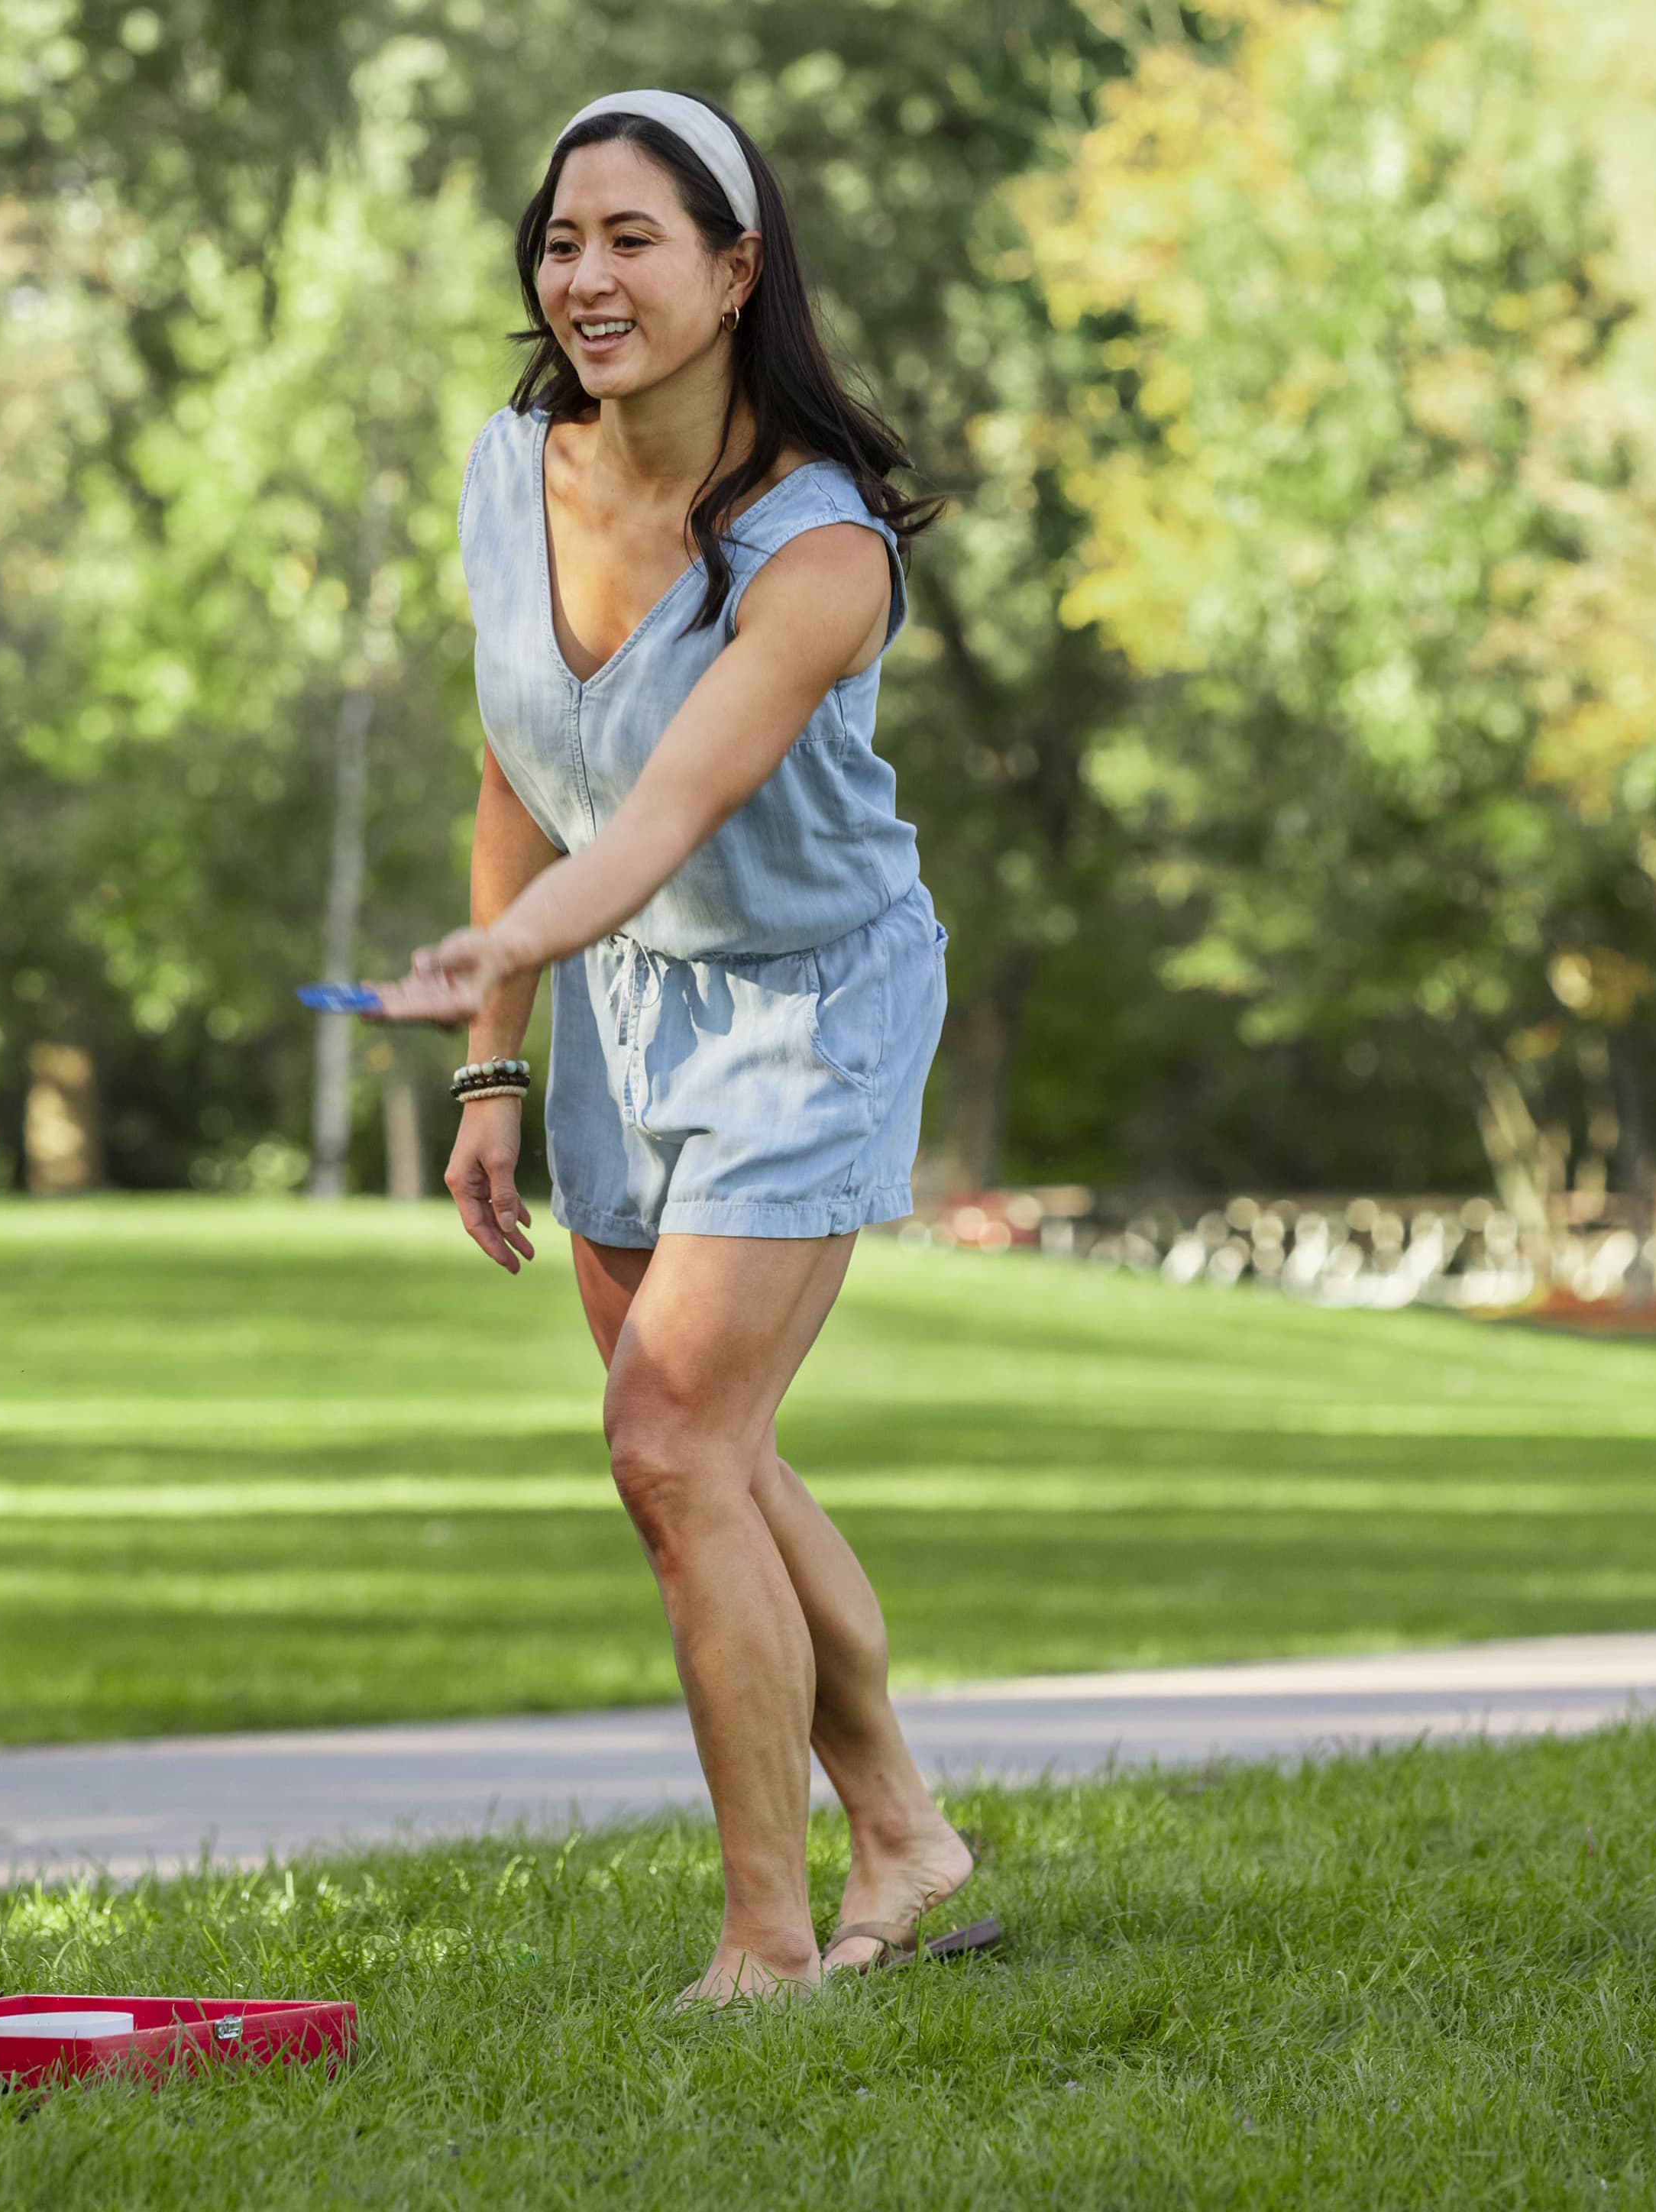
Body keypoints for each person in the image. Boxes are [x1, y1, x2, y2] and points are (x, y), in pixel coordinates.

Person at [366, 89, 998, 2005]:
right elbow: (517, 755)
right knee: (697, 1460)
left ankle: (766, 1937)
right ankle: (898, 1824)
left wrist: (514, 937)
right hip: (626, 1004)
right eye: (563, 240)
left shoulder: (819, 556)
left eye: (632, 239)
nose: (585, 277)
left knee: (668, 1438)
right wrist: (496, 1056)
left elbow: (650, 819)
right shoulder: (511, 467)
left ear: (733, 273)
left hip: (807, 1000)